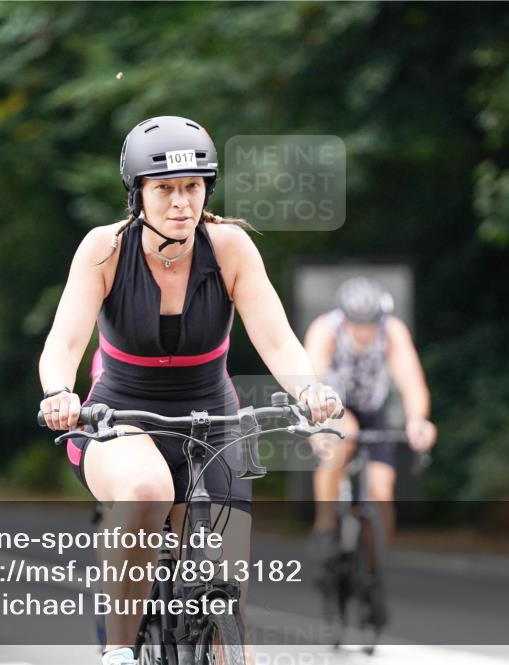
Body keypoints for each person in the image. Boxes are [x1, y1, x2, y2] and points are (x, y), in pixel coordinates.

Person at [38, 115, 343, 665]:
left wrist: (310, 391)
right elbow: (64, 342)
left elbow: (276, 339)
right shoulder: (104, 249)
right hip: (119, 420)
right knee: (148, 489)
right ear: (138, 195)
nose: (181, 202)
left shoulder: (230, 249)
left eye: (193, 187)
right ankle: (120, 652)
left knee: (231, 622)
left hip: (214, 422)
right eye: (166, 189)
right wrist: (60, 392)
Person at [304, 276, 437, 546]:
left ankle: (376, 563)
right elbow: (310, 378)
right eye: (357, 323)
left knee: (381, 489)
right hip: (333, 406)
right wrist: (316, 427)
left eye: (370, 324)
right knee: (343, 436)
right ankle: (325, 522)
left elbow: (411, 382)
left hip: (373, 409)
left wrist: (417, 420)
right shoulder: (325, 329)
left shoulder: (392, 331)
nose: (364, 331)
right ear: (344, 317)